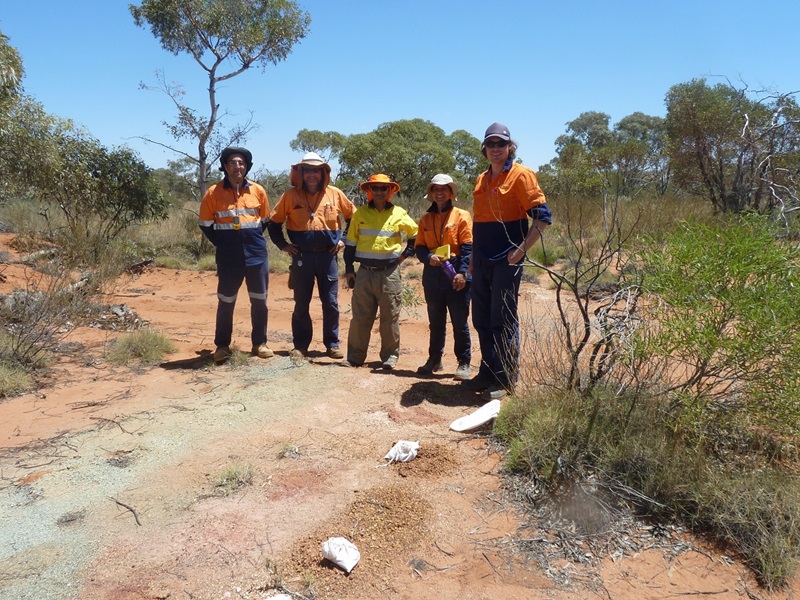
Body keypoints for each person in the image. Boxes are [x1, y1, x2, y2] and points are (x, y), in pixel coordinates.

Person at [464, 123, 552, 400]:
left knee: (503, 319)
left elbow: (543, 217)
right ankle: (487, 372)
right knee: (481, 318)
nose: (495, 149)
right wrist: (471, 261)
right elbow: (479, 222)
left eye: (500, 144)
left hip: (507, 259)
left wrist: (521, 250)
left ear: (510, 147)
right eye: (490, 144)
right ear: (485, 149)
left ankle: (505, 378)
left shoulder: (521, 175)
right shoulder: (481, 179)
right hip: (482, 260)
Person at [267, 152, 355, 359]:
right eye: (308, 170)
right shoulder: (290, 196)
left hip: (328, 257)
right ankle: (301, 345)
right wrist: (283, 245)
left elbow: (354, 218)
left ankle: (332, 344)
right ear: (300, 173)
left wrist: (343, 240)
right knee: (301, 302)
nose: (312, 174)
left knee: (331, 302)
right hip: (302, 257)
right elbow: (274, 222)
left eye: (316, 170)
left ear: (323, 173)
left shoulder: (335, 194)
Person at [199, 146, 273, 364]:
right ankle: (222, 346)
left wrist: (251, 241)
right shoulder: (213, 192)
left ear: (247, 166)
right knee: (226, 301)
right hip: (228, 258)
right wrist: (224, 243)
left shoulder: (258, 191)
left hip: (256, 256)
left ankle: (259, 343)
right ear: (225, 166)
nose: (237, 166)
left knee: (260, 301)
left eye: (241, 163)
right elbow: (205, 224)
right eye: (232, 163)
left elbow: (265, 221)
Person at [342, 174, 418, 370]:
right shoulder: (360, 214)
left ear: (390, 191)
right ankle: (355, 357)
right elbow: (350, 244)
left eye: (383, 188)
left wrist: (403, 256)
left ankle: (389, 357)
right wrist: (349, 270)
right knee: (360, 317)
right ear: (369, 191)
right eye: (374, 188)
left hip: (389, 273)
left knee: (389, 316)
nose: (378, 191)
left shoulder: (399, 213)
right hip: (364, 273)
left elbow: (416, 235)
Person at [414, 174, 473, 381]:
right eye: (435, 189)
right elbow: (419, 247)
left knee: (459, 322)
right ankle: (434, 360)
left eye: (444, 189)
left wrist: (463, 273)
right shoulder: (425, 219)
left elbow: (468, 247)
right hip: (432, 274)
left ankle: (464, 362)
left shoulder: (462, 215)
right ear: (430, 194)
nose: (439, 193)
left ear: (451, 193)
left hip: (456, 272)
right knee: (436, 321)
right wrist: (428, 257)